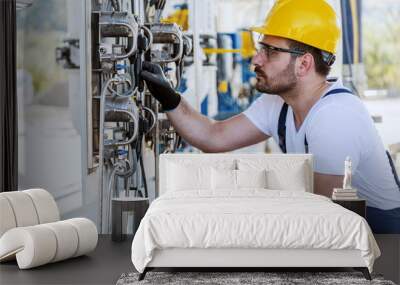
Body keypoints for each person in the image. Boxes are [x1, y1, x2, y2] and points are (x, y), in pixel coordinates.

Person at [140, 0, 400, 233]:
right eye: (260, 48)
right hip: (342, 228)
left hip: (384, 240)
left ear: (304, 64)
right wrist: (170, 99)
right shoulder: (279, 103)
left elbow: (325, 215)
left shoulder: (335, 116)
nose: (256, 59)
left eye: (270, 51)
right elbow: (213, 137)